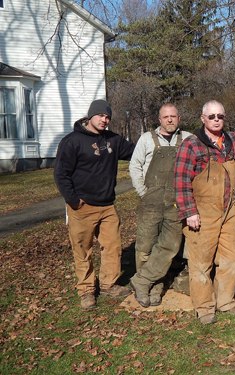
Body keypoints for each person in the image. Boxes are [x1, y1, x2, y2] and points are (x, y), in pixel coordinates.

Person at [174, 100, 235, 324]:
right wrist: (190, 212)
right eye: (212, 116)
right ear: (203, 119)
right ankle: (204, 307)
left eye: (220, 116)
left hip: (228, 211)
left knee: (231, 259)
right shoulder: (191, 144)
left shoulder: (232, 140)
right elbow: (180, 182)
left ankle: (225, 301)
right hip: (201, 212)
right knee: (201, 263)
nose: (216, 120)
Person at [54, 99, 135, 310]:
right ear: (91, 116)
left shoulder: (113, 140)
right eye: (100, 116)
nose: (104, 120)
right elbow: (61, 174)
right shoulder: (72, 141)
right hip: (82, 207)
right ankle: (87, 291)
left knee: (113, 247)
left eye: (107, 117)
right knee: (83, 250)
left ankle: (108, 284)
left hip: (107, 206)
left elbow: (137, 151)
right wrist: (73, 200)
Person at [128, 103, 191, 308]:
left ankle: (148, 283)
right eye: (166, 117)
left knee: (170, 245)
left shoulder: (188, 139)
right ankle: (148, 288)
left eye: (173, 116)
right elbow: (135, 166)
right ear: (159, 119)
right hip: (151, 201)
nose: (170, 120)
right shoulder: (147, 139)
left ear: (179, 118)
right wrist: (143, 192)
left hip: (175, 202)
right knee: (145, 246)